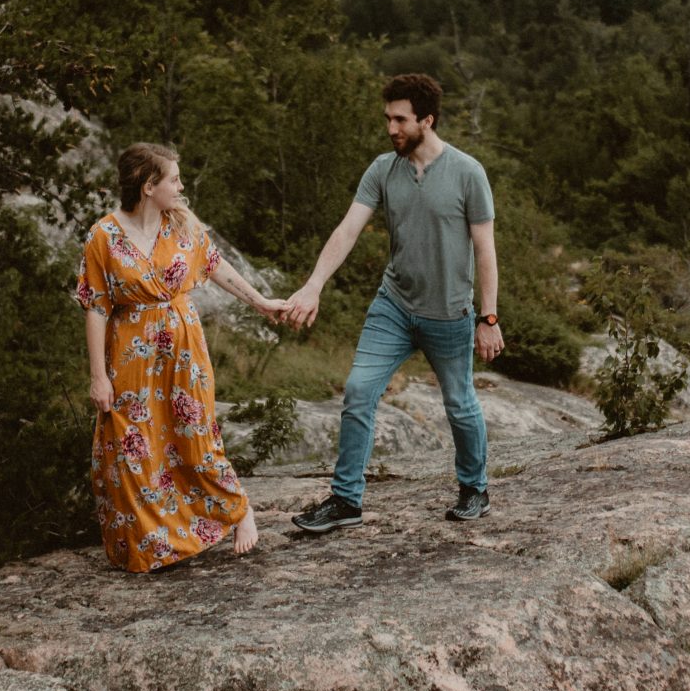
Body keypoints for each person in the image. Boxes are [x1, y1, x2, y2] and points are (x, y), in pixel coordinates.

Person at [281, 74, 502, 532]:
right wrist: (313, 285)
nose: (391, 128)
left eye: (400, 120)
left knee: (459, 404)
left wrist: (489, 317)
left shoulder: (467, 173)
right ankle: (346, 502)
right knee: (359, 391)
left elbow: (485, 249)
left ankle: (474, 489)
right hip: (394, 307)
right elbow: (347, 229)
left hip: (450, 314)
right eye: (388, 119)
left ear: (427, 119)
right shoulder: (383, 169)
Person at [76, 142, 283, 570]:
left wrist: (261, 302)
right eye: (173, 179)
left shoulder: (182, 226)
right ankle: (153, 544)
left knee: (195, 435)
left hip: (184, 350)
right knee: (133, 447)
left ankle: (238, 510)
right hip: (131, 355)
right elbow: (96, 306)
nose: (181, 185)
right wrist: (99, 377)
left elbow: (217, 267)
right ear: (148, 185)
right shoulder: (104, 236)